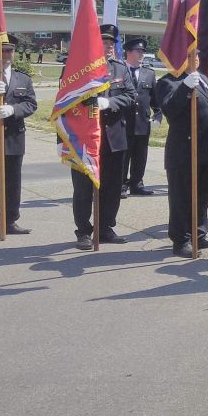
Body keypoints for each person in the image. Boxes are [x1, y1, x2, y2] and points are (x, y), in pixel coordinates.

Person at [156, 51, 208, 258]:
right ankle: (181, 240)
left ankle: (199, 234)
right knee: (182, 198)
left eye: (197, 54)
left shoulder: (204, 79)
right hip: (184, 153)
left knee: (203, 196)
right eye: (189, 55)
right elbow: (170, 110)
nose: (195, 58)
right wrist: (185, 87)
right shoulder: (168, 82)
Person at [71, 25, 137, 250]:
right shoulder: (77, 68)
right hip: (84, 138)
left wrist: (109, 103)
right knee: (83, 188)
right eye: (104, 43)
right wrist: (62, 141)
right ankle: (83, 231)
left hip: (114, 136)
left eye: (111, 44)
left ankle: (106, 226)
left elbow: (131, 96)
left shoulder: (119, 69)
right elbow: (65, 103)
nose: (108, 47)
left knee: (112, 185)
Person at [0, 35, 37, 241]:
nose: (6, 54)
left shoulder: (23, 79)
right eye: (2, 50)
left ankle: (9, 221)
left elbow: (31, 104)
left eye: (10, 50)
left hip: (13, 137)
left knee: (12, 183)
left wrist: (13, 108)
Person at [121, 38, 161, 197]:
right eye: (138, 51)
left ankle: (137, 184)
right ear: (128, 52)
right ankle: (121, 185)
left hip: (142, 123)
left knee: (140, 156)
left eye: (143, 51)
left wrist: (158, 116)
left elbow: (156, 101)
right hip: (123, 123)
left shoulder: (149, 74)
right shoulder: (119, 70)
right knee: (124, 156)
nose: (141, 54)